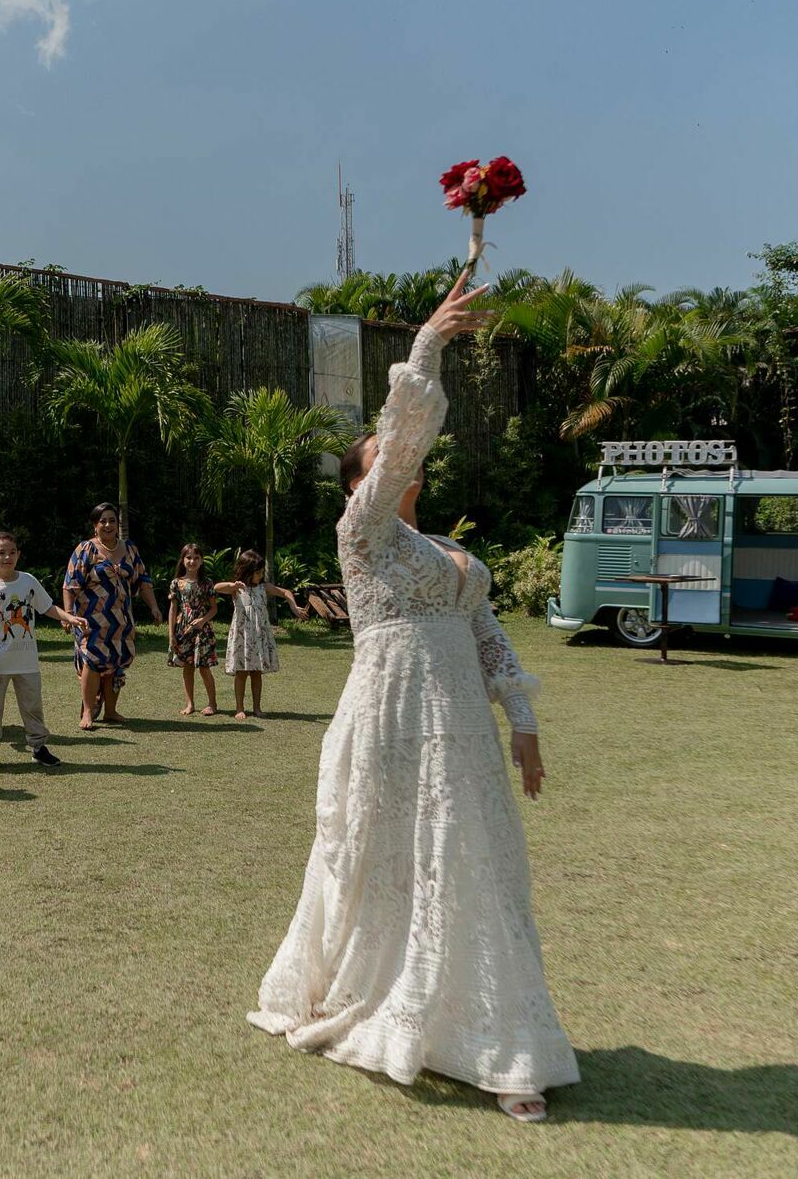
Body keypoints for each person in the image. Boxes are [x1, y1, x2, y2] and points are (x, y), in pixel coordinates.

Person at [249, 274, 577, 1125]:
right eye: (382, 455)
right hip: (392, 720)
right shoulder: (363, 536)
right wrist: (426, 346)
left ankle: (503, 1045)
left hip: (459, 723)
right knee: (393, 864)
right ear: (363, 478)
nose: (402, 459)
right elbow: (399, 440)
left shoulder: (445, 553)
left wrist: (526, 723)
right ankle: (400, 1008)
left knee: (474, 862)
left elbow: (488, 635)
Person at [0, 531, 85, 769]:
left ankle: (38, 747)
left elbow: (48, 607)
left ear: (18, 555)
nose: (7, 557)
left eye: (12, 552)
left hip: (27, 662)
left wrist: (70, 618)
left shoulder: (28, 581)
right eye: (1, 553)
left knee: (33, 708)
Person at [63, 503, 162, 731]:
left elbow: (143, 581)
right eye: (103, 521)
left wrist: (154, 607)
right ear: (95, 525)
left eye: (112, 520)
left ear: (118, 524)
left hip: (121, 620)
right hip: (91, 619)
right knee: (92, 660)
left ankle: (110, 711)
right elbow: (71, 584)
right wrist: (68, 614)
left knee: (116, 662)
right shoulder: (86, 549)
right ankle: (88, 711)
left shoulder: (129, 549)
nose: (108, 525)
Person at [215, 549, 305, 719]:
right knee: (241, 672)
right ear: (247, 572)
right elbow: (216, 587)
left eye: (262, 572)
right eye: (258, 572)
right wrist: (233, 586)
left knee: (256, 672)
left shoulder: (264, 587)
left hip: (258, 636)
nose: (260, 575)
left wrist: (293, 606)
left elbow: (286, 592)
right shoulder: (237, 588)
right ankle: (239, 708)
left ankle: (257, 708)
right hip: (242, 636)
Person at [166, 542, 220, 717]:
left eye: (196, 558)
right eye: (189, 557)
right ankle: (190, 704)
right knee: (187, 668)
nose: (192, 561)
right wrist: (171, 634)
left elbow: (214, 609)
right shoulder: (176, 583)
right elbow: (173, 610)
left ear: (202, 561)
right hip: (183, 630)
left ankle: (212, 703)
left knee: (204, 668)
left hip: (202, 631)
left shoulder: (207, 583)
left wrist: (202, 621)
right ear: (182, 561)